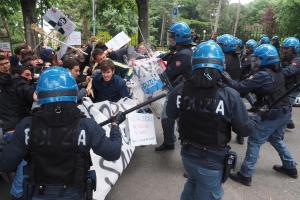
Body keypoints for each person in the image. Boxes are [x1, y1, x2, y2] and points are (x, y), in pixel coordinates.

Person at [0, 67, 125, 200]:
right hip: (75, 193)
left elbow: (6, 164)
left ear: (40, 94)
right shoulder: (86, 125)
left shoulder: (26, 126)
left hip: (39, 193)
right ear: (73, 92)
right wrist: (115, 126)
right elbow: (113, 152)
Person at [166, 40, 256, 200]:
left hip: (187, 156)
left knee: (192, 183)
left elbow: (170, 114)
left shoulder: (180, 90)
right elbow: (244, 130)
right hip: (211, 163)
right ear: (221, 65)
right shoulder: (230, 95)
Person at [227, 44, 298, 186]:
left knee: (254, 141)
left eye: (257, 60)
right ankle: (290, 167)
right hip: (284, 112)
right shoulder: (278, 71)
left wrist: (226, 77)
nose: (254, 62)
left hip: (272, 113)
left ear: (265, 61)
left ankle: (245, 175)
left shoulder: (263, 75)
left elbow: (240, 88)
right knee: (276, 139)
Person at [155, 22, 193, 151]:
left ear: (179, 38)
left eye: (171, 36)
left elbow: (168, 73)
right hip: (178, 89)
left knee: (169, 117)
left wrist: (154, 72)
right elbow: (168, 56)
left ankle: (177, 144)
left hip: (181, 91)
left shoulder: (183, 54)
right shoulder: (181, 51)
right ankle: (170, 141)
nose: (169, 38)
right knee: (172, 118)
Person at [216, 34, 244, 144]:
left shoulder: (224, 58)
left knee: (224, 116)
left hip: (225, 88)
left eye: (220, 44)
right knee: (235, 114)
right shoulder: (237, 56)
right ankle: (240, 134)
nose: (218, 46)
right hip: (236, 87)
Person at [280, 37, 300, 130]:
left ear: (294, 49)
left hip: (293, 87)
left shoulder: (297, 60)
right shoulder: (285, 58)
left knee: (287, 105)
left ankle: (281, 128)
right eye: (283, 48)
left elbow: (290, 70)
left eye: (287, 48)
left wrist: (276, 74)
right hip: (286, 85)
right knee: (284, 104)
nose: (284, 50)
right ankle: (289, 121)